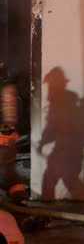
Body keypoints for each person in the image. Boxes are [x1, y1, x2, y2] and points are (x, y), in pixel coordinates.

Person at [0, 62, 27, 204]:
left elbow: (10, 114)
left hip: (3, 138)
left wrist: (6, 130)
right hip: (4, 137)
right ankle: (19, 198)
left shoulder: (6, 89)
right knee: (6, 172)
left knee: (6, 172)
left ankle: (19, 198)